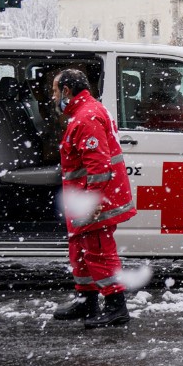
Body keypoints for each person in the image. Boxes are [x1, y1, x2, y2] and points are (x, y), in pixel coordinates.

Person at [51, 69, 137, 328]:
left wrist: (92, 203)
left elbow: (99, 168)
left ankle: (115, 307)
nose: (53, 97)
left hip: (93, 202)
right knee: (80, 250)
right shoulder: (85, 112)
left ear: (67, 91)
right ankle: (86, 301)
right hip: (85, 199)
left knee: (98, 252)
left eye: (55, 91)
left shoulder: (85, 117)